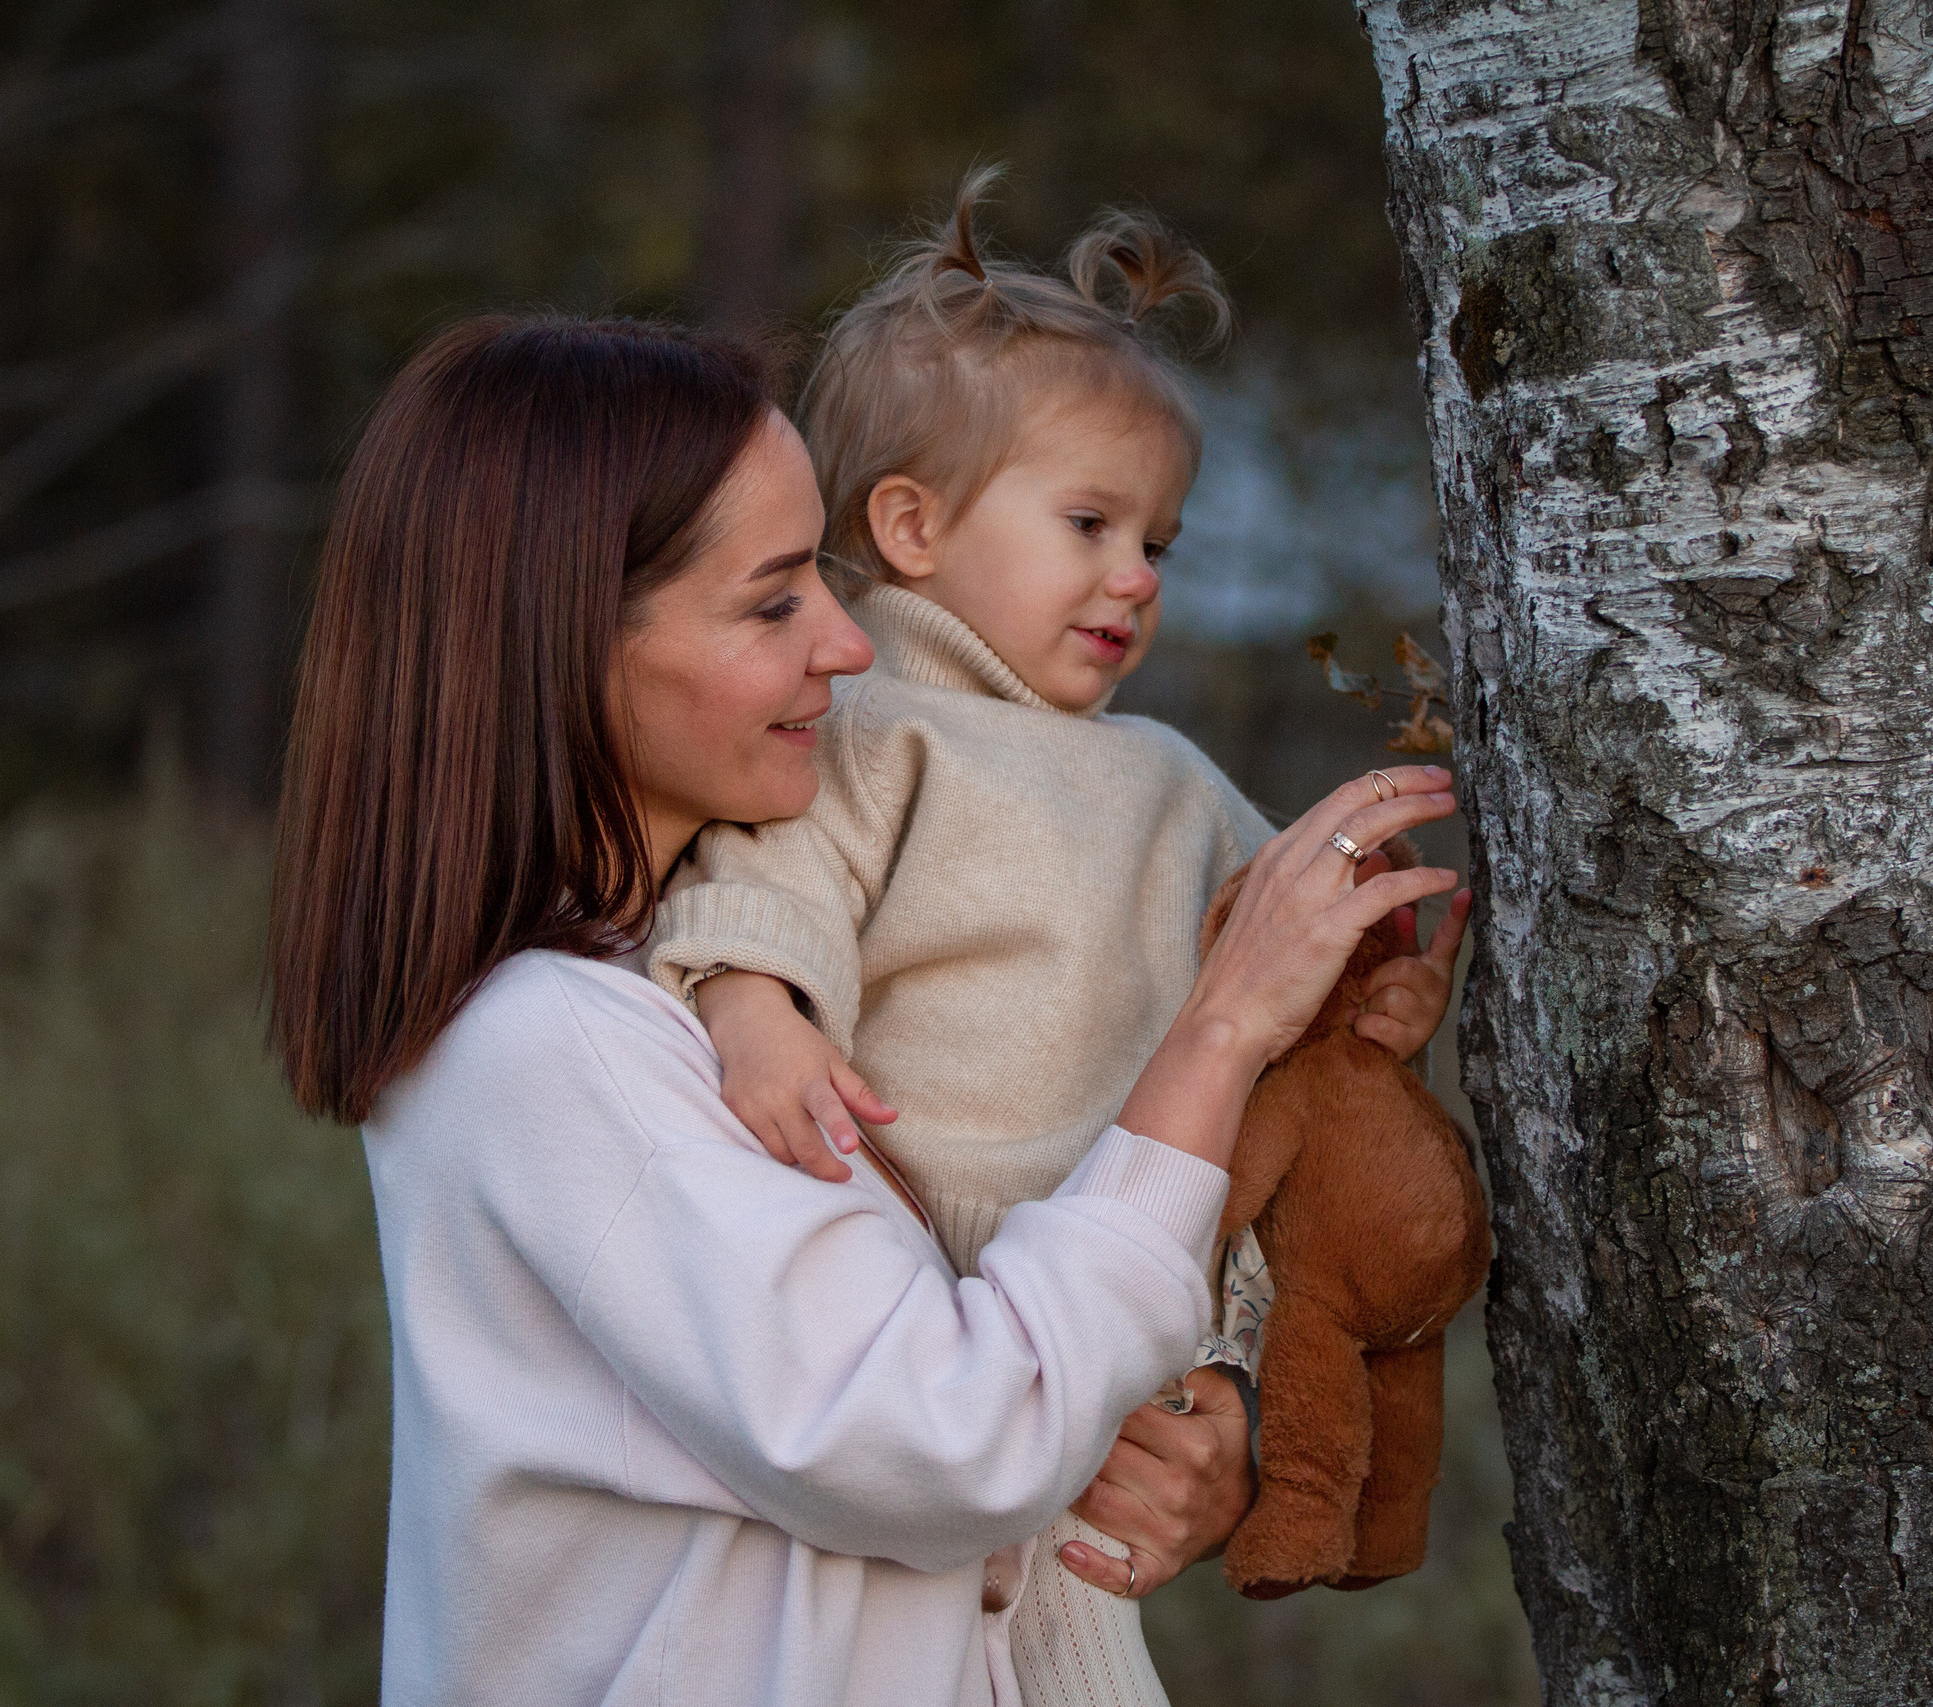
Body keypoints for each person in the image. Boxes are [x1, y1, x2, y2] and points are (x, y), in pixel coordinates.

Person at [268, 314, 1461, 1706]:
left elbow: (978, 1416)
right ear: (567, 635)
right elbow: (946, 1437)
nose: (850, 644)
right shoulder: (554, 1044)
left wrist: (1194, 1451)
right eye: (775, 602)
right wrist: (1219, 1032)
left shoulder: (768, 988)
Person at [644, 175, 1473, 1705]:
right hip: (933, 1298)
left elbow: (1270, 944)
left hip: (1122, 1301)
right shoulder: (867, 732)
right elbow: (763, 883)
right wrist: (755, 1005)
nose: (1139, 575)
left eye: (1158, 537)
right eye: (1088, 523)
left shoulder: (1169, 777)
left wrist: (1379, 996)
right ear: (912, 525)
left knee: (1081, 1631)